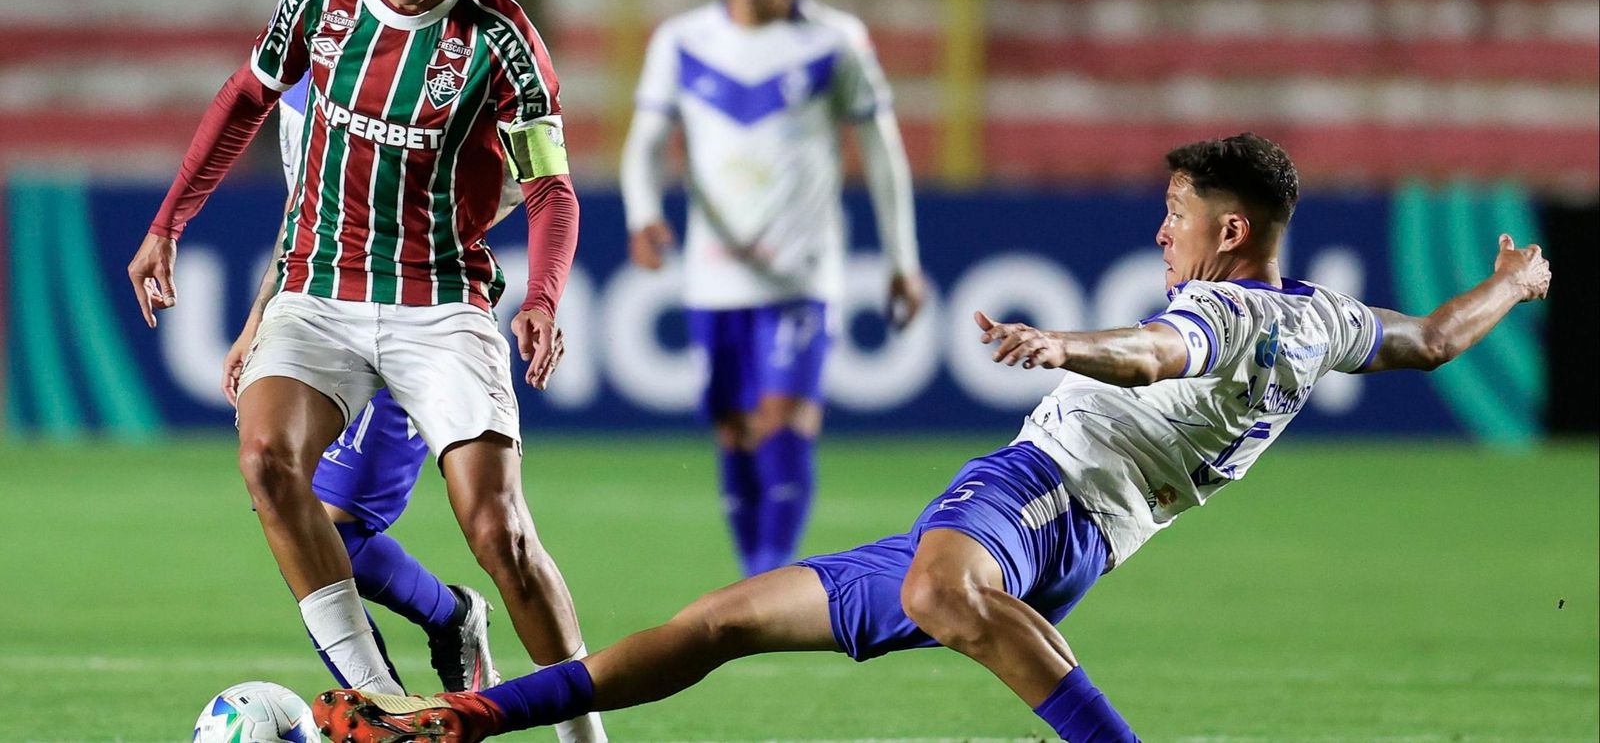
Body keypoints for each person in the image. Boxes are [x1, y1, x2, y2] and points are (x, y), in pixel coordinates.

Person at [311, 133, 1551, 742]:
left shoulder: (1214, 306)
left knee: (937, 586)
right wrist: (1520, 282)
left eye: (1176, 215)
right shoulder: (1324, 317)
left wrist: (1071, 349)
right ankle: (465, 721)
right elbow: (1434, 338)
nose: (1162, 230)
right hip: (1072, 541)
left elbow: (1159, 352)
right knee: (717, 622)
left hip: (1039, 491)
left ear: (1227, 233)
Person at [125, 0, 606, 739]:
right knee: (268, 461)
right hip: (317, 291)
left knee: (497, 530)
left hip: (440, 301)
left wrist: (541, 295)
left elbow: (551, 188)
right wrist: (167, 223)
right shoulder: (321, 1)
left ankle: (585, 732)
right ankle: (380, 704)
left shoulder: (501, 39)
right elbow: (244, 99)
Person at [215, 0, 503, 696]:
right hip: (322, 301)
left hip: (421, 305)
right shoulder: (312, 49)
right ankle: (404, 675)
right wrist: (262, 315)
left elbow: (530, 177)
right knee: (296, 509)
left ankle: (432, 645)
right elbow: (306, 208)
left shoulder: (452, 43)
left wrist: (427, 231)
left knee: (333, 526)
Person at [619, 0, 924, 577]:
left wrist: (903, 260)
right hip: (714, 270)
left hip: (804, 270)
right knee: (733, 428)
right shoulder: (683, 41)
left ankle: (770, 571)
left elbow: (882, 151)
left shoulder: (834, 40)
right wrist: (643, 213)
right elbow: (644, 144)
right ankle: (753, 570)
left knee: (783, 419)